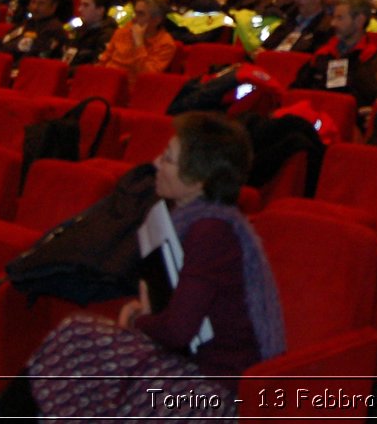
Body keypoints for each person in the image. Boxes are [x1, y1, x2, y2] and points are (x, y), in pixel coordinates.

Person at [24, 113, 285, 418]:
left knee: (86, 351)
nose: (156, 164)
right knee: (78, 336)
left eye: (168, 159)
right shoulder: (198, 221)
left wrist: (138, 321)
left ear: (199, 180)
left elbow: (178, 331)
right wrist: (149, 311)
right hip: (192, 366)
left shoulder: (211, 232)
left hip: (216, 390)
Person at [99, 0, 179, 80]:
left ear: (156, 20)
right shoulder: (124, 31)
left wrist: (139, 44)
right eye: (135, 13)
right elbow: (104, 59)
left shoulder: (166, 44)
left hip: (131, 86)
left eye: (141, 14)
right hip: (108, 79)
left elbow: (147, 76)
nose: (134, 19)